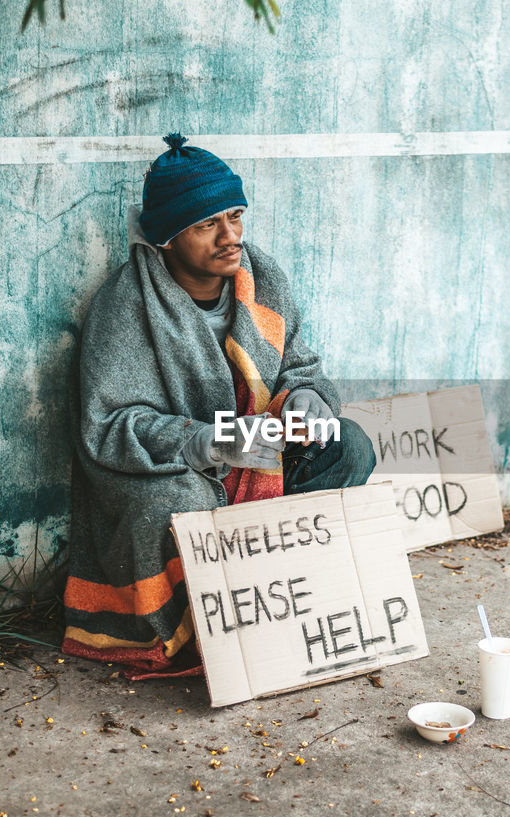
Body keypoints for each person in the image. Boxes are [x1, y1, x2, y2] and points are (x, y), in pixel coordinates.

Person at [62, 134, 376, 677]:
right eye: (208, 224)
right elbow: (107, 426)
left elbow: (301, 365)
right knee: (184, 496)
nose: (231, 237)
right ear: (167, 237)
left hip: (259, 460)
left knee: (349, 447)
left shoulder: (263, 277)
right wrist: (201, 441)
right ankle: (208, 632)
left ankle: (281, 596)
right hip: (170, 469)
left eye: (235, 216)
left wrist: (305, 399)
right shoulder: (125, 304)